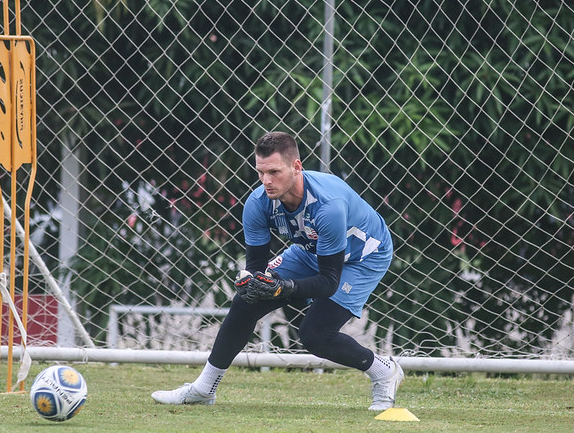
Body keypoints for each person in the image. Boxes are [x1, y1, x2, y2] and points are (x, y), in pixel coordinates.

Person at [151, 131, 402, 411]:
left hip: (362, 257)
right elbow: (255, 270)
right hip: (310, 250)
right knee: (246, 301)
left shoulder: (328, 207)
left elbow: (329, 281)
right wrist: (251, 282)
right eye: (260, 172)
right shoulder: (257, 203)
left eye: (274, 172)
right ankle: (203, 389)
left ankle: (384, 372)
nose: (266, 181)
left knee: (315, 335)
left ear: (296, 167)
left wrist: (286, 287)